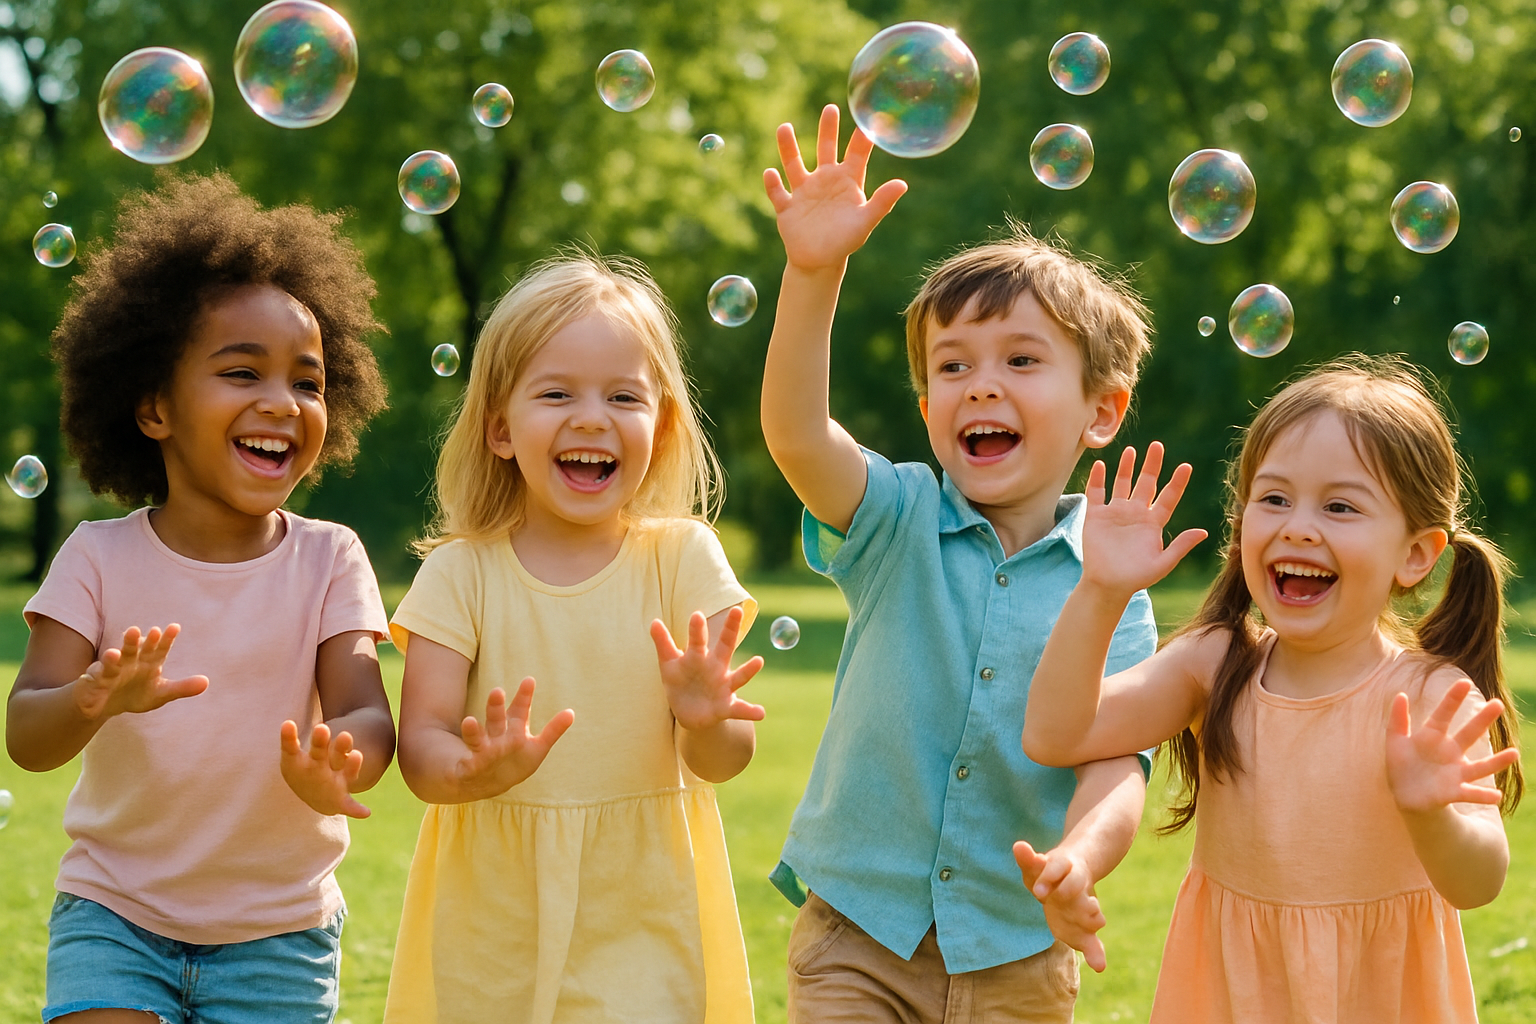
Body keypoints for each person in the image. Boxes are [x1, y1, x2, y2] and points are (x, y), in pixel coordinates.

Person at [760, 104, 1161, 1022]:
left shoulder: (1112, 586)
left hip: (1017, 950)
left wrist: (1082, 858)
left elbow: (1116, 765)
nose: (981, 385)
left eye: (1021, 360)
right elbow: (795, 434)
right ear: (928, 405)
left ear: (1102, 411)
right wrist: (814, 272)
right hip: (859, 936)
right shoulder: (894, 516)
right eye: (952, 367)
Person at [1023, 354, 1524, 1023]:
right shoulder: (1216, 664)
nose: (1297, 526)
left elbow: (1479, 882)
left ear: (1414, 554)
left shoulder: (1432, 699)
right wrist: (1101, 589)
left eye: (1340, 506)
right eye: (1274, 499)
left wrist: (1431, 814)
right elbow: (1056, 735)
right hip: (1234, 999)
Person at [5, 173, 394, 1024]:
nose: (282, 403)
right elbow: (27, 736)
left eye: (308, 382)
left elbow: (366, 710)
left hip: (279, 934)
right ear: (153, 409)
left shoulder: (330, 558)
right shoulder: (98, 557)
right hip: (114, 916)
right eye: (242, 371)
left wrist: (340, 759)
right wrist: (89, 699)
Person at [384, 252, 763, 1024]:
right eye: (557, 393)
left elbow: (723, 761)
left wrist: (706, 719)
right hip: (495, 911)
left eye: (623, 396)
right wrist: (473, 771)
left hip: (643, 902)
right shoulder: (461, 574)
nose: (592, 418)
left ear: (660, 428)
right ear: (499, 428)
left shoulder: (683, 560)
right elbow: (420, 750)